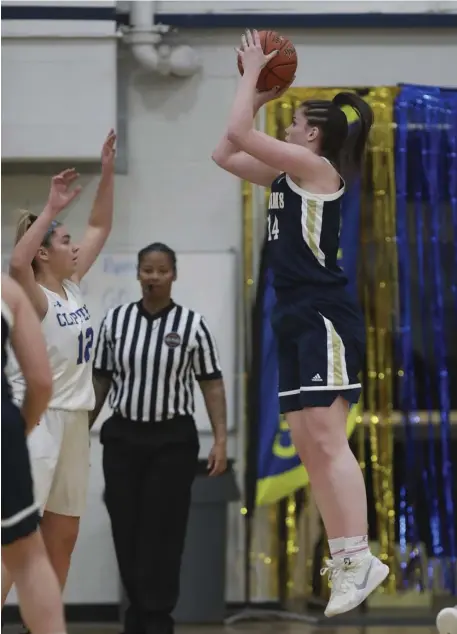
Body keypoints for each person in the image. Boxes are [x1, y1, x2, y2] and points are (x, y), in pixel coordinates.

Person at [212, 29, 387, 618]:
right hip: (291, 321)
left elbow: (238, 135)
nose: (284, 129)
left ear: (312, 135)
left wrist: (249, 78)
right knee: (311, 447)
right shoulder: (287, 178)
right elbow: (224, 152)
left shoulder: (314, 168)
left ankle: (356, 556)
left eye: (291, 123)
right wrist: (258, 96)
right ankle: (349, 560)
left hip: (322, 319)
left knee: (328, 441)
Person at [2, 130, 116, 610]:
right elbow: (16, 261)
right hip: (39, 423)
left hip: (75, 422)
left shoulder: (72, 287)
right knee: (15, 541)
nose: (75, 248)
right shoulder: (36, 296)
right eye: (64, 242)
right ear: (45, 253)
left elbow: (100, 226)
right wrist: (49, 210)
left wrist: (107, 171)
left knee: (63, 536)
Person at [91, 242, 228, 634]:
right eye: (147, 270)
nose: (153, 277)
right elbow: (101, 380)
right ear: (137, 274)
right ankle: (138, 613)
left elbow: (212, 385)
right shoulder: (115, 322)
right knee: (126, 529)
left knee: (163, 532)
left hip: (172, 442)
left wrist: (220, 439)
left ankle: (156, 619)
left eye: (161, 270)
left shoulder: (192, 325)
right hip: (122, 439)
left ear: (174, 275)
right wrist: (80, 429)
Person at [1, 274, 67, 634]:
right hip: (3, 425)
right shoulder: (7, 290)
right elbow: (41, 381)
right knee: (28, 559)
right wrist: (18, 431)